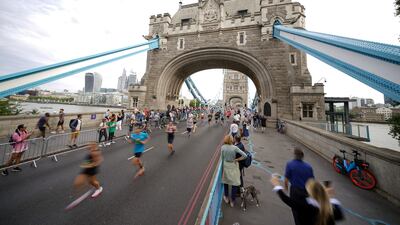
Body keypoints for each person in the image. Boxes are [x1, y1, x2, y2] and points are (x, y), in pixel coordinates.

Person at [271, 177, 344, 225]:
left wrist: (277, 185)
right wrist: (329, 197)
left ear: (311, 192)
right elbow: (340, 216)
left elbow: (286, 199)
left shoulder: (306, 206)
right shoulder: (333, 207)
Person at [284, 148, 315, 225]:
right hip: (306, 191)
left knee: (296, 211)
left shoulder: (290, 164)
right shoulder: (309, 167)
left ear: (295, 155)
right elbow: (312, 182)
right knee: (305, 211)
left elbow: (286, 178)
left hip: (295, 191)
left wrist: (286, 187)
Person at [221, 135, 247, 207]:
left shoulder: (223, 147)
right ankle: (232, 201)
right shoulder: (235, 148)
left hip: (226, 166)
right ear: (232, 140)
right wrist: (237, 159)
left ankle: (226, 198)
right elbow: (245, 155)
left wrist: (222, 169)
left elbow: (222, 159)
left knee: (226, 182)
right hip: (233, 166)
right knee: (234, 184)